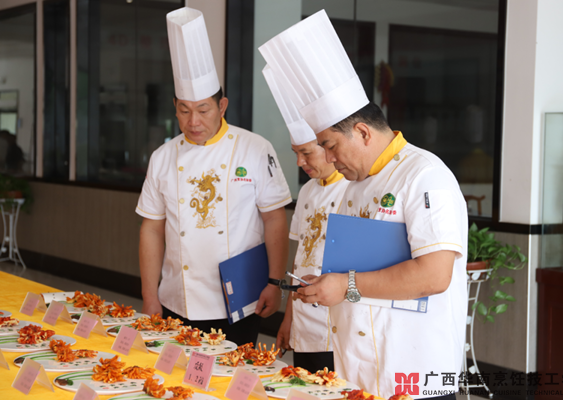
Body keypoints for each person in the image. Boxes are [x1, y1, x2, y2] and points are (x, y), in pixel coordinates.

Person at [260, 10, 467, 400]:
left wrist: (345, 285)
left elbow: (434, 275)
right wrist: (326, 285)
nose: (328, 159)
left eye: (330, 146)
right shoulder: (355, 185)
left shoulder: (425, 175)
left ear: (362, 131)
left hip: (414, 374)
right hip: (358, 370)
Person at [136, 7, 291, 346]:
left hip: (240, 300)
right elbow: (151, 228)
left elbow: (275, 219)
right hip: (176, 298)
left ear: (222, 106)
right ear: (175, 108)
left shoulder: (254, 148)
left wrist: (274, 282)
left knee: (232, 375)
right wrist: (150, 295)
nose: (193, 121)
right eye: (184, 110)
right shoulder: (163, 157)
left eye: (203, 110)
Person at [262, 66, 349, 372]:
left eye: (306, 153)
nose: (299, 162)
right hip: (304, 320)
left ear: (327, 147)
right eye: (295, 153)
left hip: (337, 326)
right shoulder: (309, 190)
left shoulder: (353, 189)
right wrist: (289, 319)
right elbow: (300, 261)